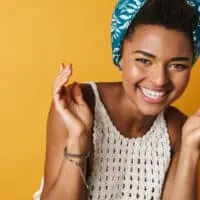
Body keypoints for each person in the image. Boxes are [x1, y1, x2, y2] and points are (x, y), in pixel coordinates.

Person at [33, 0, 200, 199]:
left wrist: (191, 151)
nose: (159, 79)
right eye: (144, 60)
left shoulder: (178, 129)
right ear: (120, 55)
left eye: (177, 65)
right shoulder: (78, 105)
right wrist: (78, 139)